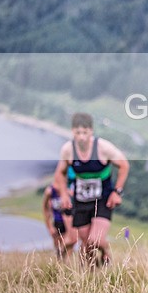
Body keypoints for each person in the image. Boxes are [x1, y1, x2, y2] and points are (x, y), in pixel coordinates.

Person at [54, 112, 129, 267]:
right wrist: (64, 195)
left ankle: (106, 251)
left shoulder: (103, 148)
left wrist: (117, 191)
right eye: (77, 133)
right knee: (87, 244)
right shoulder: (68, 150)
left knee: (95, 240)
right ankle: (92, 276)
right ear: (72, 131)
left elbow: (124, 165)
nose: (81, 137)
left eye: (85, 132)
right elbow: (60, 173)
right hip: (81, 201)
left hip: (103, 199)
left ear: (91, 131)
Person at [41, 166, 77, 261]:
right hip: (57, 221)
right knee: (58, 245)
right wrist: (49, 227)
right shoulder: (50, 192)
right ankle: (58, 265)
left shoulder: (69, 192)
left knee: (70, 243)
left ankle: (66, 266)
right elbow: (45, 209)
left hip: (69, 222)